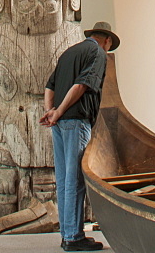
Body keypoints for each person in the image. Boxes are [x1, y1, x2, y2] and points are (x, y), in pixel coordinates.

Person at [40, 21, 120, 253]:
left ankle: (67, 234)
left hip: (60, 123)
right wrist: (61, 111)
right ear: (106, 40)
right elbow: (83, 85)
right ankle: (74, 237)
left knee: (65, 180)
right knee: (74, 180)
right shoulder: (97, 53)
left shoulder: (69, 52)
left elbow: (50, 85)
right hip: (75, 120)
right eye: (109, 45)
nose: (107, 49)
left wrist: (50, 112)